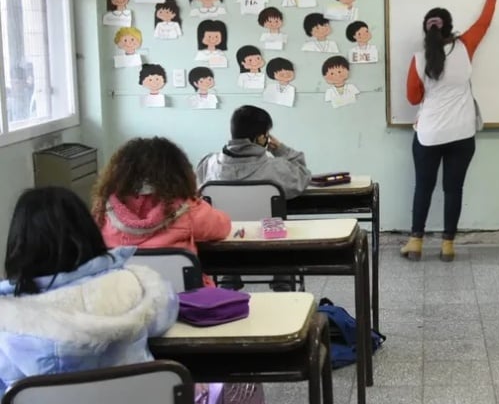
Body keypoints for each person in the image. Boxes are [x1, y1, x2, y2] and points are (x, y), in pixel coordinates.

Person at [0, 187, 178, 392]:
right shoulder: (132, 284)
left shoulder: (8, 320)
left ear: (19, 242)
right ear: (88, 230)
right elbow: (164, 316)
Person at [401, 0, 499, 262]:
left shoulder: (419, 59)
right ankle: (447, 246)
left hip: (429, 135)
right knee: (453, 189)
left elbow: (413, 98)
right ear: (450, 27)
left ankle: (415, 243)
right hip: (462, 133)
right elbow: (484, 22)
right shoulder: (465, 46)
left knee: (423, 187)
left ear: (426, 30)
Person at [196, 105, 312, 291]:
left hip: (222, 248)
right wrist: (281, 149)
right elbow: (303, 175)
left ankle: (229, 280)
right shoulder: (276, 168)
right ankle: (283, 284)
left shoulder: (208, 164)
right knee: (283, 239)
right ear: (261, 137)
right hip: (271, 248)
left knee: (233, 228)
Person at [95, 137, 231, 288]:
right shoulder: (187, 208)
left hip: (123, 302)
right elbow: (222, 227)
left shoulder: (103, 211)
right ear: (178, 173)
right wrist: (198, 201)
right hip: (183, 303)